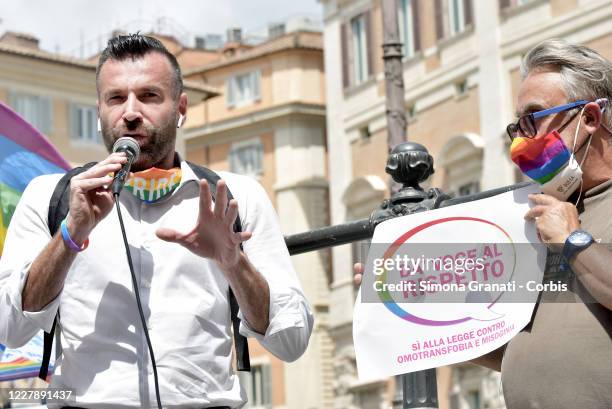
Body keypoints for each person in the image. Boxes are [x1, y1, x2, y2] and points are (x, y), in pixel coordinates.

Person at [0, 34, 313, 408]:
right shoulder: (50, 196)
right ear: (99, 109)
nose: (130, 112)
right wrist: (70, 235)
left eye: (149, 96)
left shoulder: (235, 196)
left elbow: (291, 342)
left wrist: (233, 262)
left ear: (181, 107)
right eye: (116, 98)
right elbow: (10, 329)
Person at [354, 39, 612, 409]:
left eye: (533, 118)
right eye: (516, 127)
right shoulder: (536, 217)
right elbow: (513, 349)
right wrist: (414, 310)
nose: (521, 142)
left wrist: (573, 242)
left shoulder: (566, 226)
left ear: (588, 118)